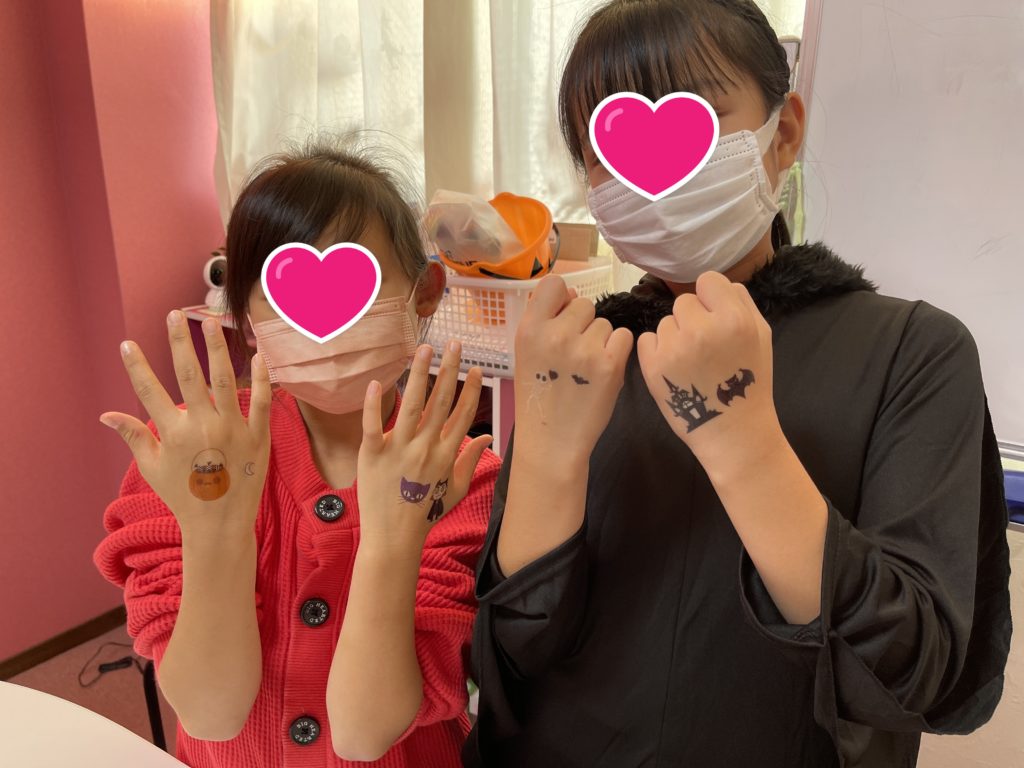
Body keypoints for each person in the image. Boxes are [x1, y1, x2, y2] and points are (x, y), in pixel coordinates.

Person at [464, 1, 1012, 766]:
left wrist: (745, 445)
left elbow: (916, 674)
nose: (653, 173)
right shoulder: (582, 357)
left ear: (782, 133)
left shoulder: (912, 351)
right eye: (608, 145)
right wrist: (550, 457)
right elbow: (506, 662)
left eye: (696, 121)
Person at [94, 141, 501, 767]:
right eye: (283, 289)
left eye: (359, 280)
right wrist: (215, 525)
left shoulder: (461, 478)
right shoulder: (188, 458)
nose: (326, 320)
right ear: (246, 319)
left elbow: (366, 733)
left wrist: (393, 539)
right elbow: (209, 712)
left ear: (425, 292)